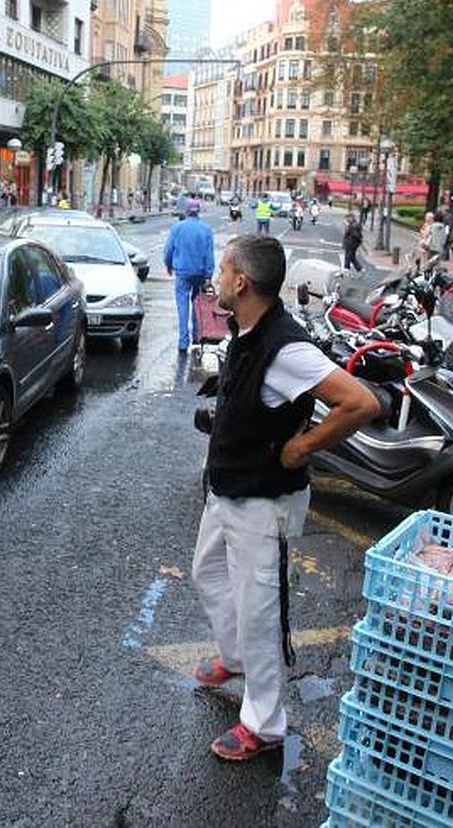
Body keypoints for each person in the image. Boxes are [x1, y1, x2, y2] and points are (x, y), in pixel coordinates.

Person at [191, 234, 378, 761]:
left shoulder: (287, 348)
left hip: (263, 502)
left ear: (242, 282)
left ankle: (264, 722)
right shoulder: (247, 332)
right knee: (207, 574)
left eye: (224, 269)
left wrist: (302, 446)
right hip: (229, 488)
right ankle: (236, 658)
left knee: (260, 612)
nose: (218, 276)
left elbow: (360, 402)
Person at [164, 199, 216, 353]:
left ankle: (183, 342)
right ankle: (196, 336)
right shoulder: (206, 229)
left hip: (182, 272)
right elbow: (209, 255)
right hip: (199, 273)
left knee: (182, 305)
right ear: (198, 211)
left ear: (186, 211)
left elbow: (168, 250)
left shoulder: (177, 228)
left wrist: (168, 265)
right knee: (197, 304)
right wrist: (208, 275)